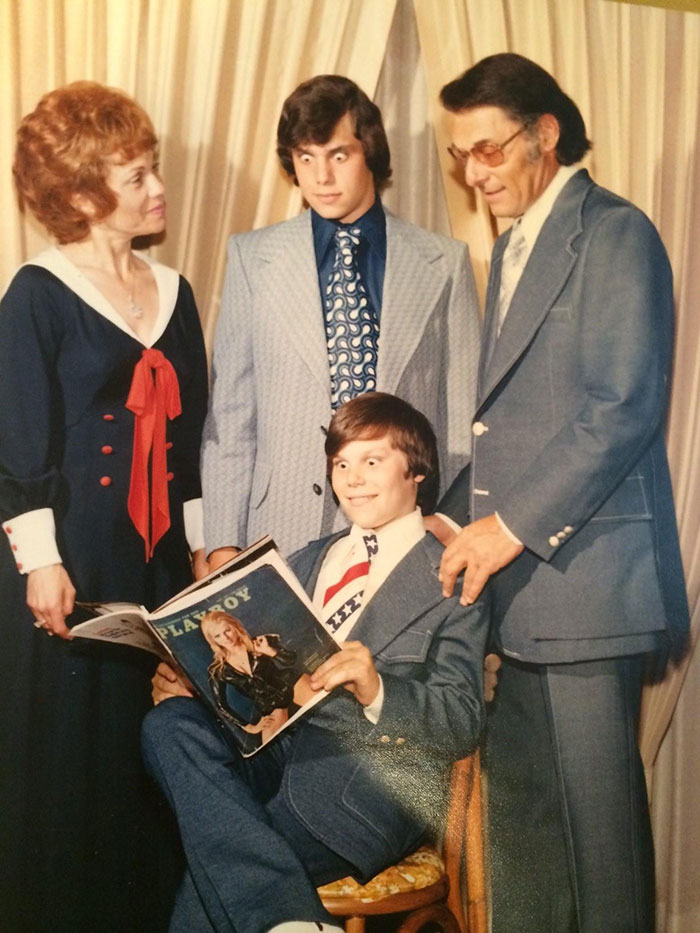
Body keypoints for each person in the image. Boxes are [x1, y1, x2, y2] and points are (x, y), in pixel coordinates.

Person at [436, 53, 689, 932]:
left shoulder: (615, 232)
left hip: (587, 590)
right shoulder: (510, 245)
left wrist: (504, 526)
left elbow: (621, 408)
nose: (475, 172)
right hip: (521, 600)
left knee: (601, 849)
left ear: (546, 134)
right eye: (461, 155)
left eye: (491, 149)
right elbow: (506, 422)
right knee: (533, 843)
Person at [142, 392, 489, 933]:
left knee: (218, 878)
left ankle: (285, 918)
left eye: (372, 461)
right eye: (341, 464)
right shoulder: (304, 559)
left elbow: (463, 718)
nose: (352, 479)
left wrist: (377, 690)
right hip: (272, 754)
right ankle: (291, 920)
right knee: (168, 725)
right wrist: (197, 685)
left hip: (360, 785)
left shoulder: (452, 579)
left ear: (417, 470)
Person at [0, 81, 209, 931]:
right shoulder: (38, 293)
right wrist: (42, 564)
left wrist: (200, 552)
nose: (158, 188)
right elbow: (18, 442)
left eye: (153, 169)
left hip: (155, 566)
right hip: (69, 566)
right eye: (136, 175)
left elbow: (194, 442)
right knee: (66, 762)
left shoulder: (175, 292)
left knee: (149, 754)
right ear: (83, 194)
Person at [201, 74, 481, 565]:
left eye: (338, 155)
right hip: (279, 532)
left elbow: (462, 418)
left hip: (406, 533)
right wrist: (224, 540)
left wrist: (449, 519)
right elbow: (231, 418)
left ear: (369, 150)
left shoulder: (445, 262)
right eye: (305, 158)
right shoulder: (252, 258)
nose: (321, 178)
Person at [201, 610, 297, 744]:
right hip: (271, 708)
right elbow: (220, 705)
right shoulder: (217, 670)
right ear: (212, 640)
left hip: (293, 686)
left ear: (235, 626)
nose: (225, 638)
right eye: (217, 636)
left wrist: (269, 651)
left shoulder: (261, 641)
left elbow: (291, 660)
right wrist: (249, 727)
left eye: (227, 630)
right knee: (273, 746)